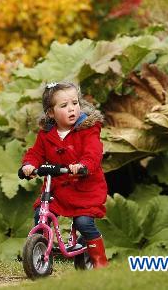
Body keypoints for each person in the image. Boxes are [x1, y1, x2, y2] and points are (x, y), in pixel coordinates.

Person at [20, 81, 109, 268]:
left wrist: (83, 165)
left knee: (84, 223)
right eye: (64, 105)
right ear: (51, 113)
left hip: (85, 190)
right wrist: (29, 165)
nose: (72, 109)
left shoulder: (88, 130)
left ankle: (99, 261)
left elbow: (93, 152)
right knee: (41, 214)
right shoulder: (46, 134)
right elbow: (36, 153)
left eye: (75, 103)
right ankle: (43, 253)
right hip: (57, 190)